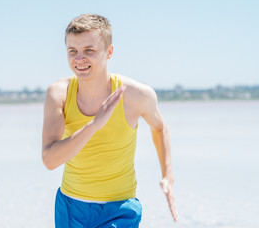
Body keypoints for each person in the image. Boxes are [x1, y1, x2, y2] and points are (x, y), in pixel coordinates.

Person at [42, 13, 177, 228]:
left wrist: (167, 175)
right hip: (71, 207)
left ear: (109, 52)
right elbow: (50, 160)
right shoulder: (59, 94)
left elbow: (159, 127)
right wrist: (94, 125)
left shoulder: (137, 95)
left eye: (89, 50)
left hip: (120, 208)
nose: (79, 59)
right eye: (72, 51)